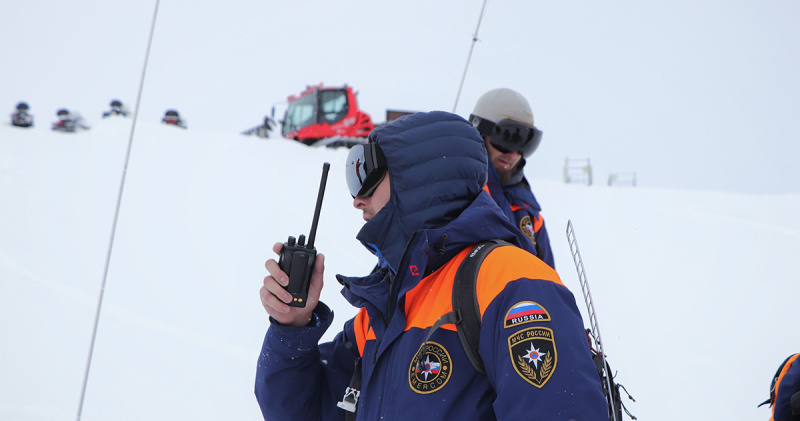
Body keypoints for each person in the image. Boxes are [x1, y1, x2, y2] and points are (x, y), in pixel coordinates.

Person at [255, 111, 606, 420]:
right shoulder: (384, 312)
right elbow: (304, 412)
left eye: (368, 176)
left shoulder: (512, 282)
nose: (357, 199)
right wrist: (292, 328)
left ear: (416, 182)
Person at [469, 88, 555, 269]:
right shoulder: (460, 193)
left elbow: (548, 280)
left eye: (524, 143)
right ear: (480, 135)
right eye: (507, 139)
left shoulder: (528, 213)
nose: (514, 154)